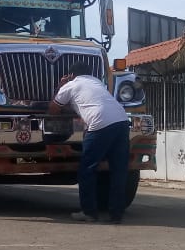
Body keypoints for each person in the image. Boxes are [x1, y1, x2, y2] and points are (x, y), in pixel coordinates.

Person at [49, 61, 130, 224]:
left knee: (87, 169)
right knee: (119, 170)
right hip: (122, 121)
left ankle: (89, 212)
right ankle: (116, 214)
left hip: (100, 124)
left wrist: (60, 86)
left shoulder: (71, 85)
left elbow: (53, 108)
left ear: (72, 75)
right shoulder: (97, 83)